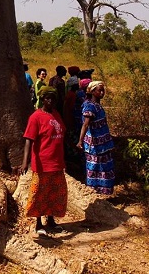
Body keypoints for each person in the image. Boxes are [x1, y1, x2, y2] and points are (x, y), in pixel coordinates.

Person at [19, 86, 67, 236]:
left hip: (57, 162)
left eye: (53, 98)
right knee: (39, 194)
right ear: (42, 99)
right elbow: (28, 140)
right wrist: (25, 162)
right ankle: (39, 223)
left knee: (55, 192)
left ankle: (51, 220)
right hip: (42, 163)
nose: (50, 101)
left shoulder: (56, 114)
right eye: (47, 98)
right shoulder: (36, 117)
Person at [77, 81, 115, 195]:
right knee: (94, 167)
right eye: (99, 90)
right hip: (95, 145)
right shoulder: (89, 106)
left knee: (105, 167)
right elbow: (85, 124)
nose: (102, 92)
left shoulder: (96, 104)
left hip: (103, 144)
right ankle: (94, 192)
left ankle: (103, 192)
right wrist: (80, 141)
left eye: (103, 90)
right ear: (92, 91)